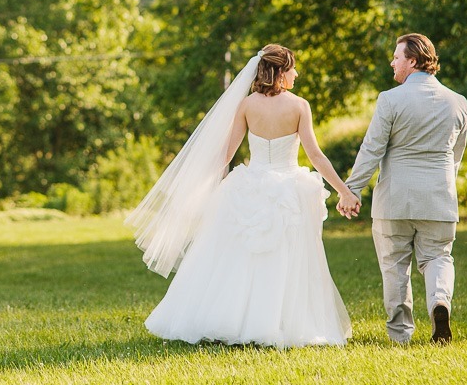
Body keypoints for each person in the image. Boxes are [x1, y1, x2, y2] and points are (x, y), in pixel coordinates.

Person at [127, 44, 358, 348]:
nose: (296, 74)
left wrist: (200, 186)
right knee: (287, 260)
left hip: (250, 186)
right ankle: (280, 323)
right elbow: (315, 155)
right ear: (281, 72)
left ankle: (232, 320)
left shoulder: (247, 105)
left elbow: (226, 154)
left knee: (241, 259)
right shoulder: (300, 106)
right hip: (290, 190)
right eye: (293, 69)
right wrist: (345, 190)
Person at [338, 33, 467, 345]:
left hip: (395, 201)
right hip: (439, 200)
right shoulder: (458, 103)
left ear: (413, 61)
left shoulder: (390, 100)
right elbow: (455, 156)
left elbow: (372, 149)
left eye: (396, 57)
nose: (392, 62)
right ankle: (440, 303)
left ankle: (401, 335)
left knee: (394, 266)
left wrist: (352, 189)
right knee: (438, 257)